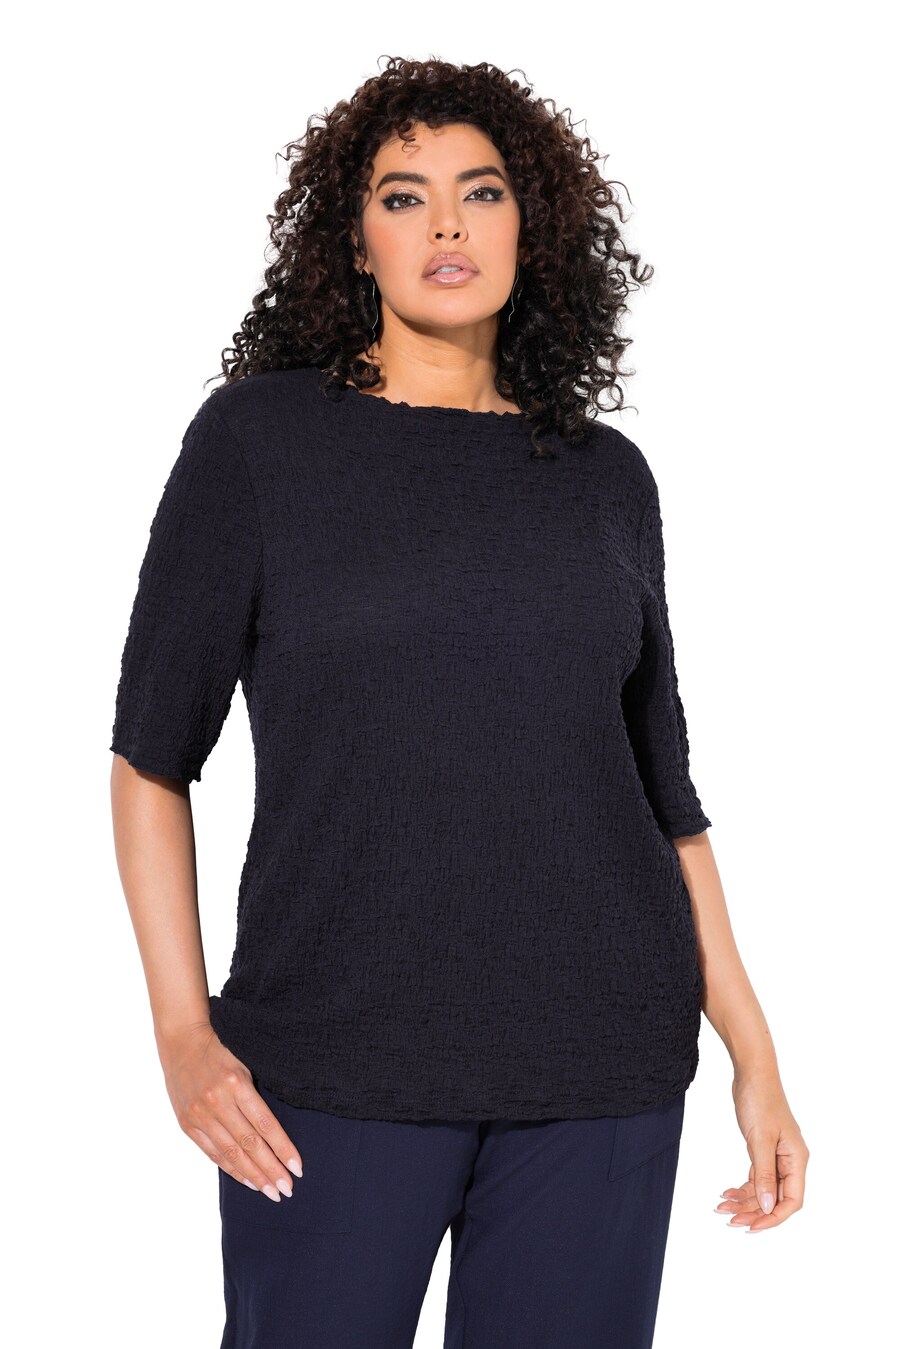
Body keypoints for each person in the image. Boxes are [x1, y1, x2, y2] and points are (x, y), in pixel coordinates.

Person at [108, 57, 808, 1349]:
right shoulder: (257, 444)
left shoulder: (605, 475)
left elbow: (663, 793)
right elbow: (151, 757)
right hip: (329, 1066)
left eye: (482, 193)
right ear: (354, 241)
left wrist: (754, 1055)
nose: (447, 224)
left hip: (601, 1063)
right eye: (404, 196)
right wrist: (182, 1034)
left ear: (531, 227)